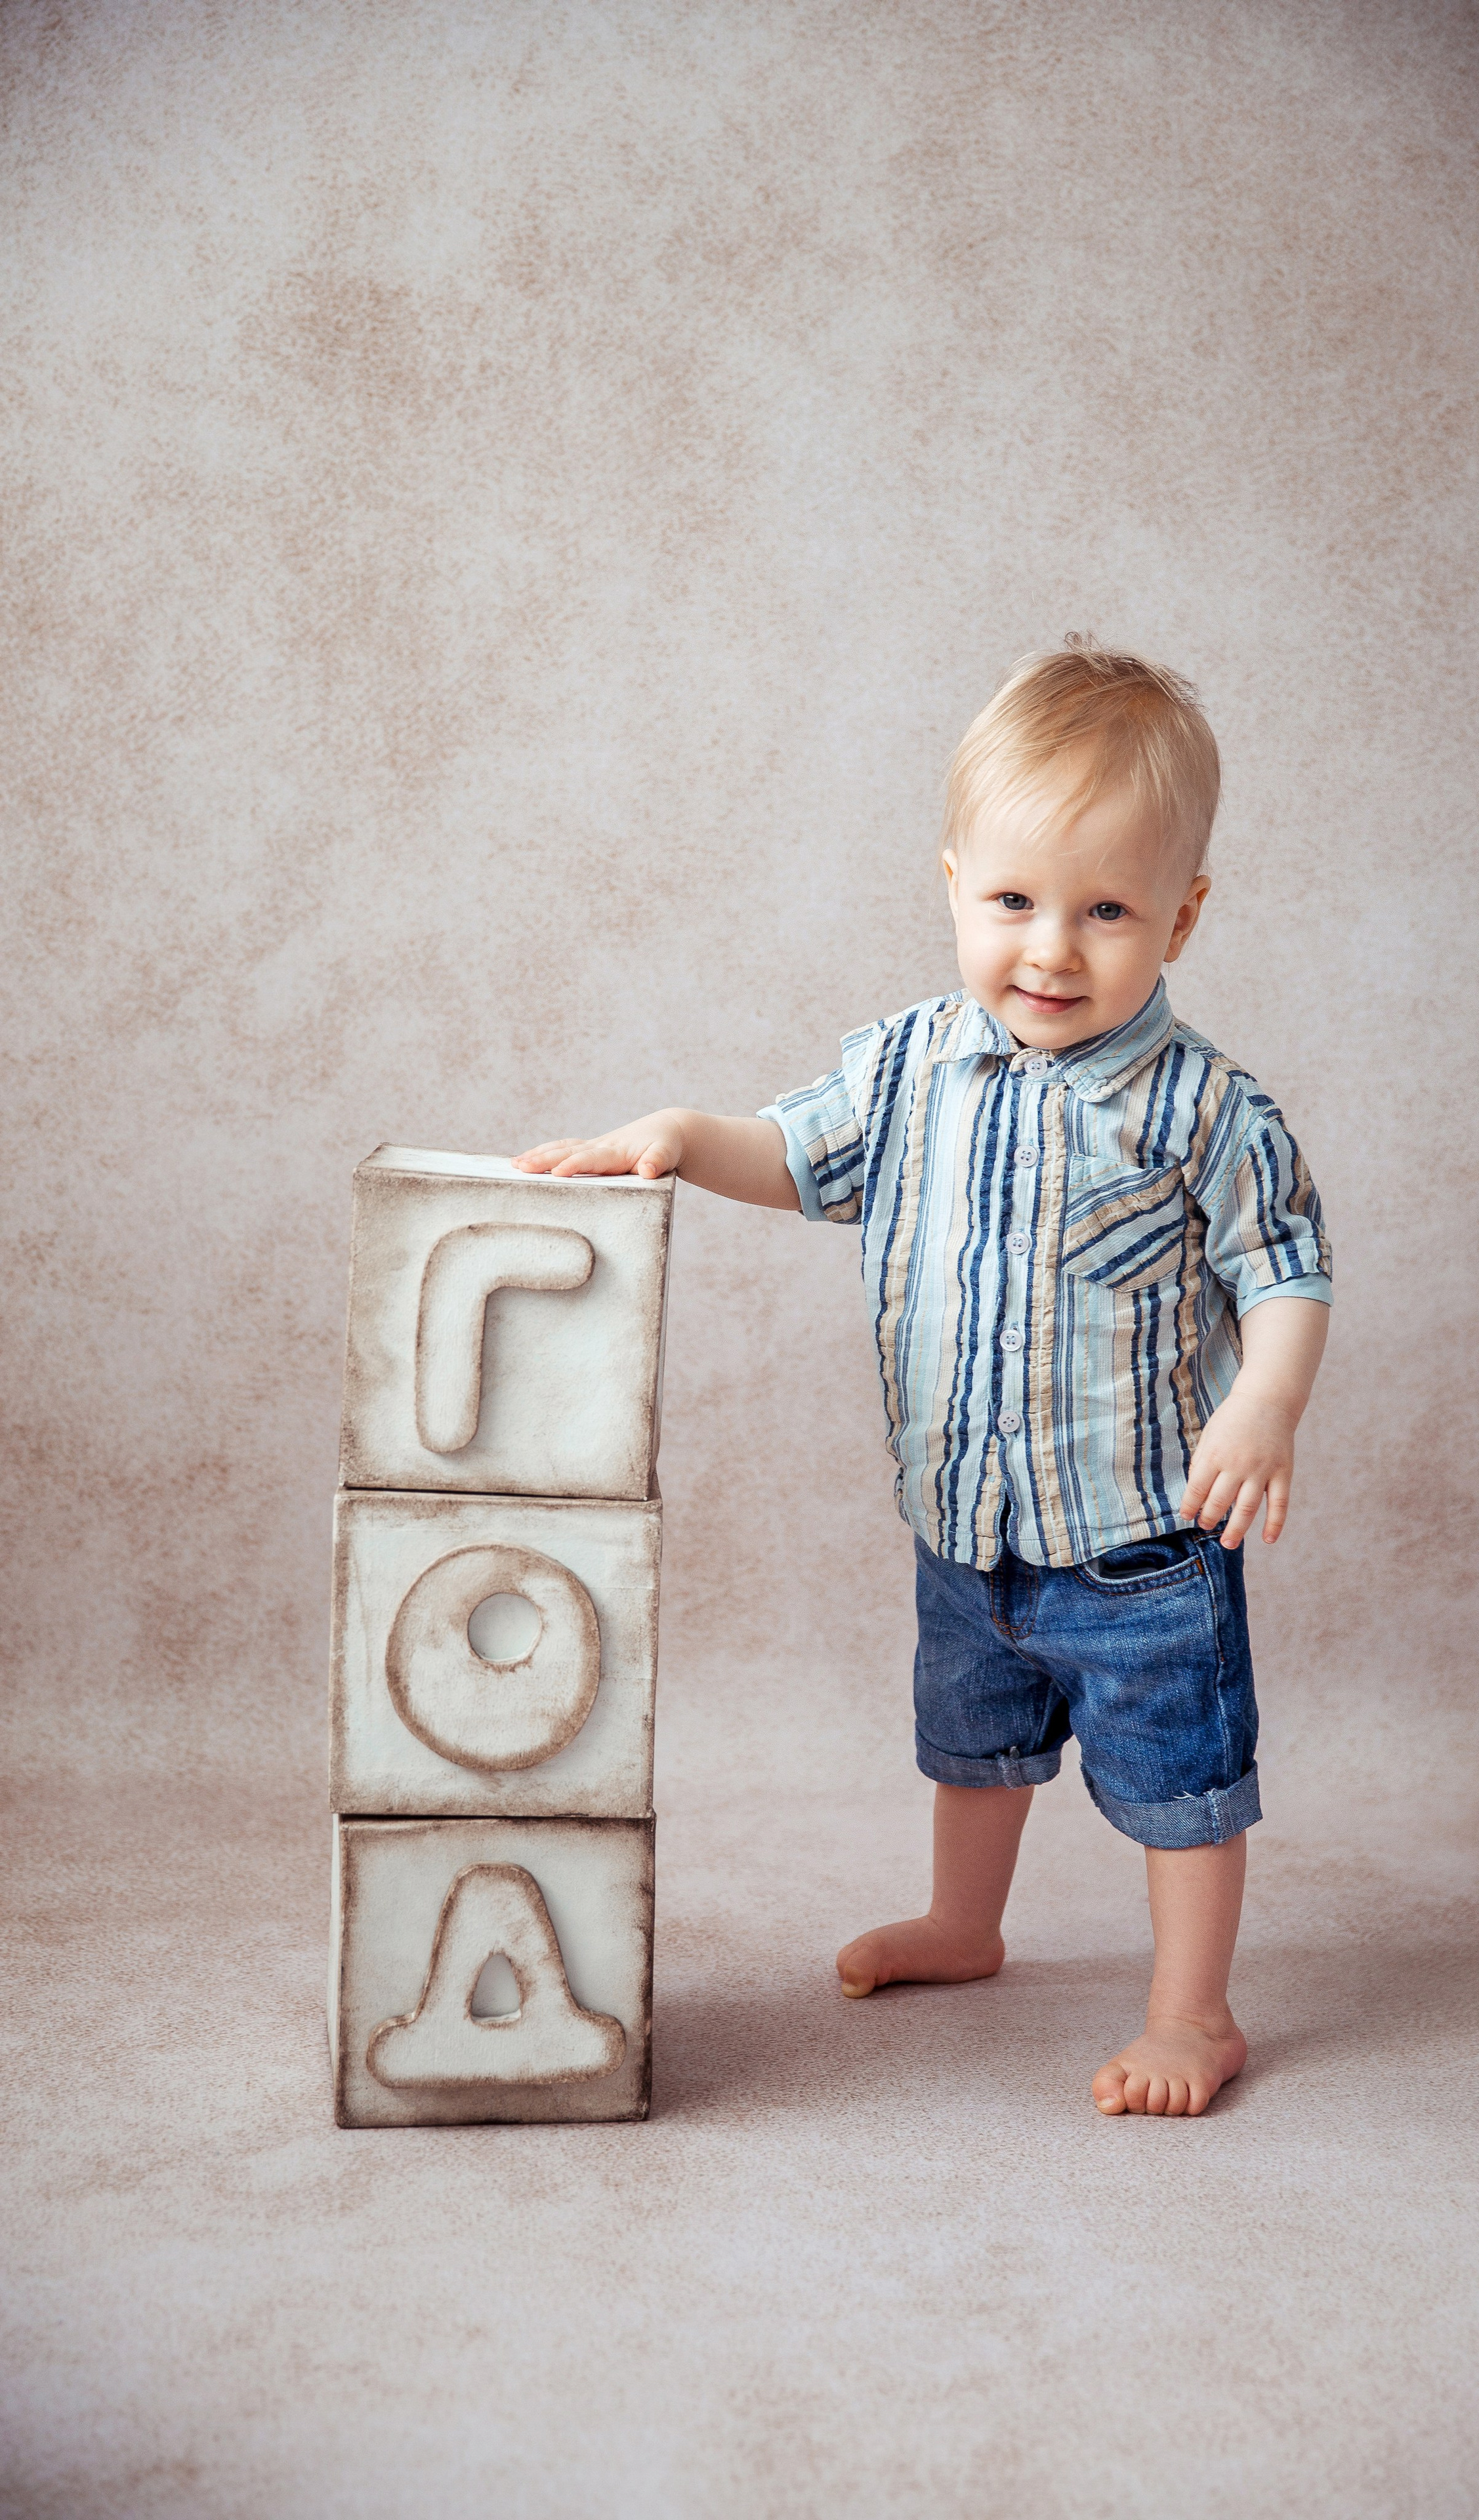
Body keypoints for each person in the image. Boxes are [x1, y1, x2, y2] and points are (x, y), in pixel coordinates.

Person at [516, 644, 1331, 2118]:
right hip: (964, 1525)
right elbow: (792, 1152)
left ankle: (1193, 2013)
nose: (1052, 950)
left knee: (1181, 1781)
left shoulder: (1206, 1109)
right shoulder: (908, 1068)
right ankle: (965, 1924)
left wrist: (1263, 1403)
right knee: (974, 1744)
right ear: (954, 886)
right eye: (1013, 902)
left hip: (1140, 1542)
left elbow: (1281, 1268)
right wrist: (682, 1138)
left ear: (1181, 916)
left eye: (1106, 911)